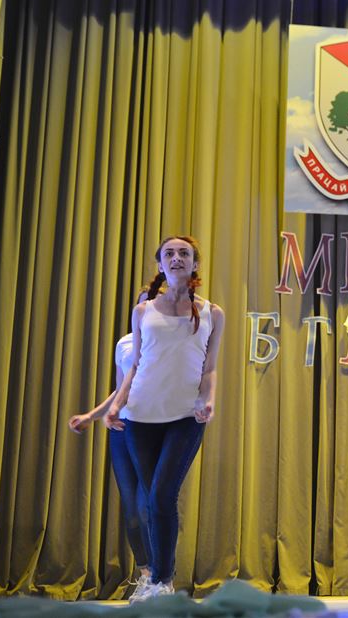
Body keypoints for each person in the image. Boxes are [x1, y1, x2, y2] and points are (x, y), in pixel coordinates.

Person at [104, 235, 225, 600]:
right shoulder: (143, 311)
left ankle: (162, 581)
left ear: (194, 264)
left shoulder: (212, 313)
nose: (176, 258)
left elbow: (210, 368)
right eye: (169, 253)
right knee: (150, 500)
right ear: (160, 264)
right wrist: (116, 405)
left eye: (184, 253)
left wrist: (208, 400)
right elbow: (135, 365)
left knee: (161, 496)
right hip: (141, 417)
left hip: (185, 417)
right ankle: (156, 579)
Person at [68, 290, 156, 603]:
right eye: (142, 300)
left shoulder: (171, 341)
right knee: (131, 510)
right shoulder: (125, 343)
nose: (145, 306)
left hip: (153, 430)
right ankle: (146, 575)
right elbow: (120, 389)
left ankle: (162, 577)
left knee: (148, 507)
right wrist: (92, 416)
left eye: (152, 300)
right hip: (122, 430)